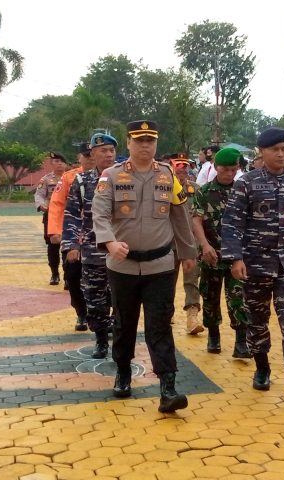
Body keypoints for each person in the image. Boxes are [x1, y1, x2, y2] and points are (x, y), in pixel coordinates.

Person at [92, 120, 197, 412]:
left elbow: (180, 215)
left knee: (160, 325)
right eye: (139, 141)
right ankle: (123, 372)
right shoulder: (110, 176)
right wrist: (110, 242)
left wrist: (188, 252)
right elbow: (99, 214)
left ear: (156, 144)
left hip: (160, 265)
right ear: (128, 143)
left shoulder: (167, 176)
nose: (145, 146)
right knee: (124, 324)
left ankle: (168, 387)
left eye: (150, 141)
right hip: (122, 266)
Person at [221, 126, 284, 400]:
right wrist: (235, 258)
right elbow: (231, 223)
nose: (281, 154)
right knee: (258, 319)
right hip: (255, 263)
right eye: (275, 150)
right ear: (262, 153)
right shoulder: (247, 183)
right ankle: (262, 368)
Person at [192, 147, 251, 357]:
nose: (229, 173)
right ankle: (213, 336)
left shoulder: (242, 191)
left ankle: (241, 342)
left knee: (239, 298)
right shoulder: (205, 192)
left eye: (233, 169)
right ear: (216, 167)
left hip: (236, 257)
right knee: (210, 297)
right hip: (212, 255)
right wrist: (204, 245)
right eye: (225, 169)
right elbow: (196, 220)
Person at [63, 133, 116, 358]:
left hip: (122, 251)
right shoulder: (82, 182)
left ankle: (121, 339)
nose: (109, 154)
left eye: (112, 150)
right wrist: (72, 244)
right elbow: (72, 214)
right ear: (92, 154)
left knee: (122, 299)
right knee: (95, 299)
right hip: (93, 251)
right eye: (103, 150)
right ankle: (101, 339)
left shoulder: (124, 177)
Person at [48, 143, 94, 331]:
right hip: (74, 234)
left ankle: (105, 315)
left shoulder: (114, 175)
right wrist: (55, 231)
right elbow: (58, 205)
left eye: (93, 154)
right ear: (79, 158)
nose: (91, 158)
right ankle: (81, 313)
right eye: (86, 155)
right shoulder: (69, 178)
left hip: (101, 237)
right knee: (73, 276)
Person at [170, 155, 204, 335]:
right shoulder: (164, 188)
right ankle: (167, 313)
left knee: (191, 279)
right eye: (178, 166)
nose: (182, 169)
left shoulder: (196, 190)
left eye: (185, 167)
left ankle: (192, 317)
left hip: (190, 243)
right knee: (168, 279)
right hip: (169, 242)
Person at [35, 152, 67, 285]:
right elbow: (39, 195)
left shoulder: (72, 177)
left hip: (69, 216)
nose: (59, 163)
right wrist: (41, 205)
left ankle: (68, 277)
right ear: (51, 164)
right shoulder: (46, 179)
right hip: (51, 216)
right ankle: (54, 273)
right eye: (56, 161)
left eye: (61, 161)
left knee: (69, 246)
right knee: (53, 246)